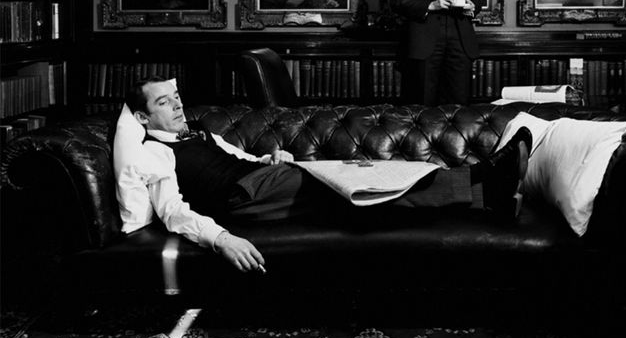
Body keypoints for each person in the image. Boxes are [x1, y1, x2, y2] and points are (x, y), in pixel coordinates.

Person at [116, 76, 531, 273]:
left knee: (364, 182)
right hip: (243, 199)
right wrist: (222, 238)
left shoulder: (201, 130)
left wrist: (268, 158)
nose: (176, 107)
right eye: (164, 104)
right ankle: (484, 184)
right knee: (363, 184)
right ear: (140, 116)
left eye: (176, 98)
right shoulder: (152, 153)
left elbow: (237, 155)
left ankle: (483, 191)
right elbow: (172, 211)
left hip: (263, 182)